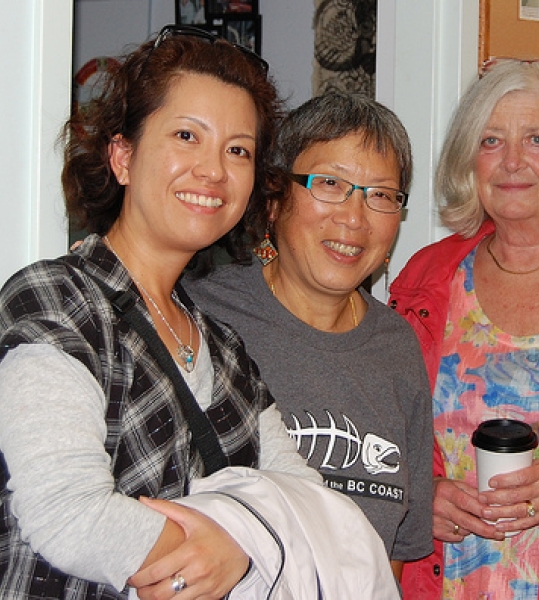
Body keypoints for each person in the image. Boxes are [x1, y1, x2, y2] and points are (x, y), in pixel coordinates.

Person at [0, 24, 323, 599]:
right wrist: (237, 554)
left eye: (238, 150)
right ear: (122, 156)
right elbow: (67, 512)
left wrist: (243, 548)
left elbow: (305, 497)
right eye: (185, 135)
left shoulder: (224, 352)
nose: (214, 170)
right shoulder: (55, 301)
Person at [185, 91, 434, 581]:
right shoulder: (203, 316)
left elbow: (394, 554)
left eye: (381, 195)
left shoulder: (397, 347)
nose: (354, 218)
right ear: (275, 198)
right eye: (330, 183)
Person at [389, 57, 539, 599]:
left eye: (536, 139)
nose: (511, 161)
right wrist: (418, 495)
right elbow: (378, 435)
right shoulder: (426, 278)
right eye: (490, 140)